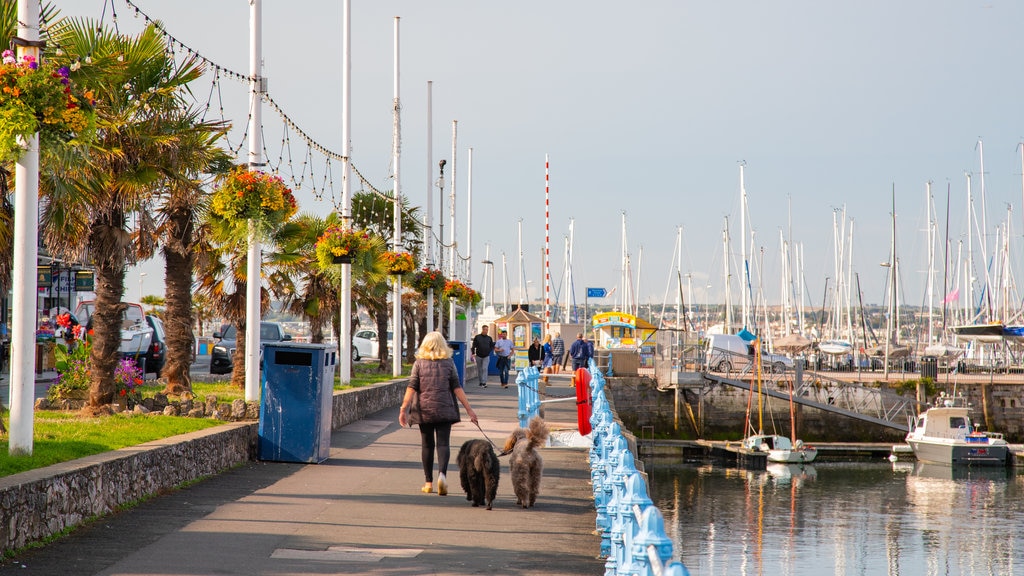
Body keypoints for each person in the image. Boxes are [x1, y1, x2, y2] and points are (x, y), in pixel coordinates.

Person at [398, 331, 478, 496]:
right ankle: (442, 475)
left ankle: (428, 483)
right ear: (443, 345)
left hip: (423, 410)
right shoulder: (448, 363)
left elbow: (412, 386)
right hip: (444, 409)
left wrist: (403, 408)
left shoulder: (419, 363)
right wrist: (469, 410)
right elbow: (457, 387)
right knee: (443, 444)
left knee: (427, 445)